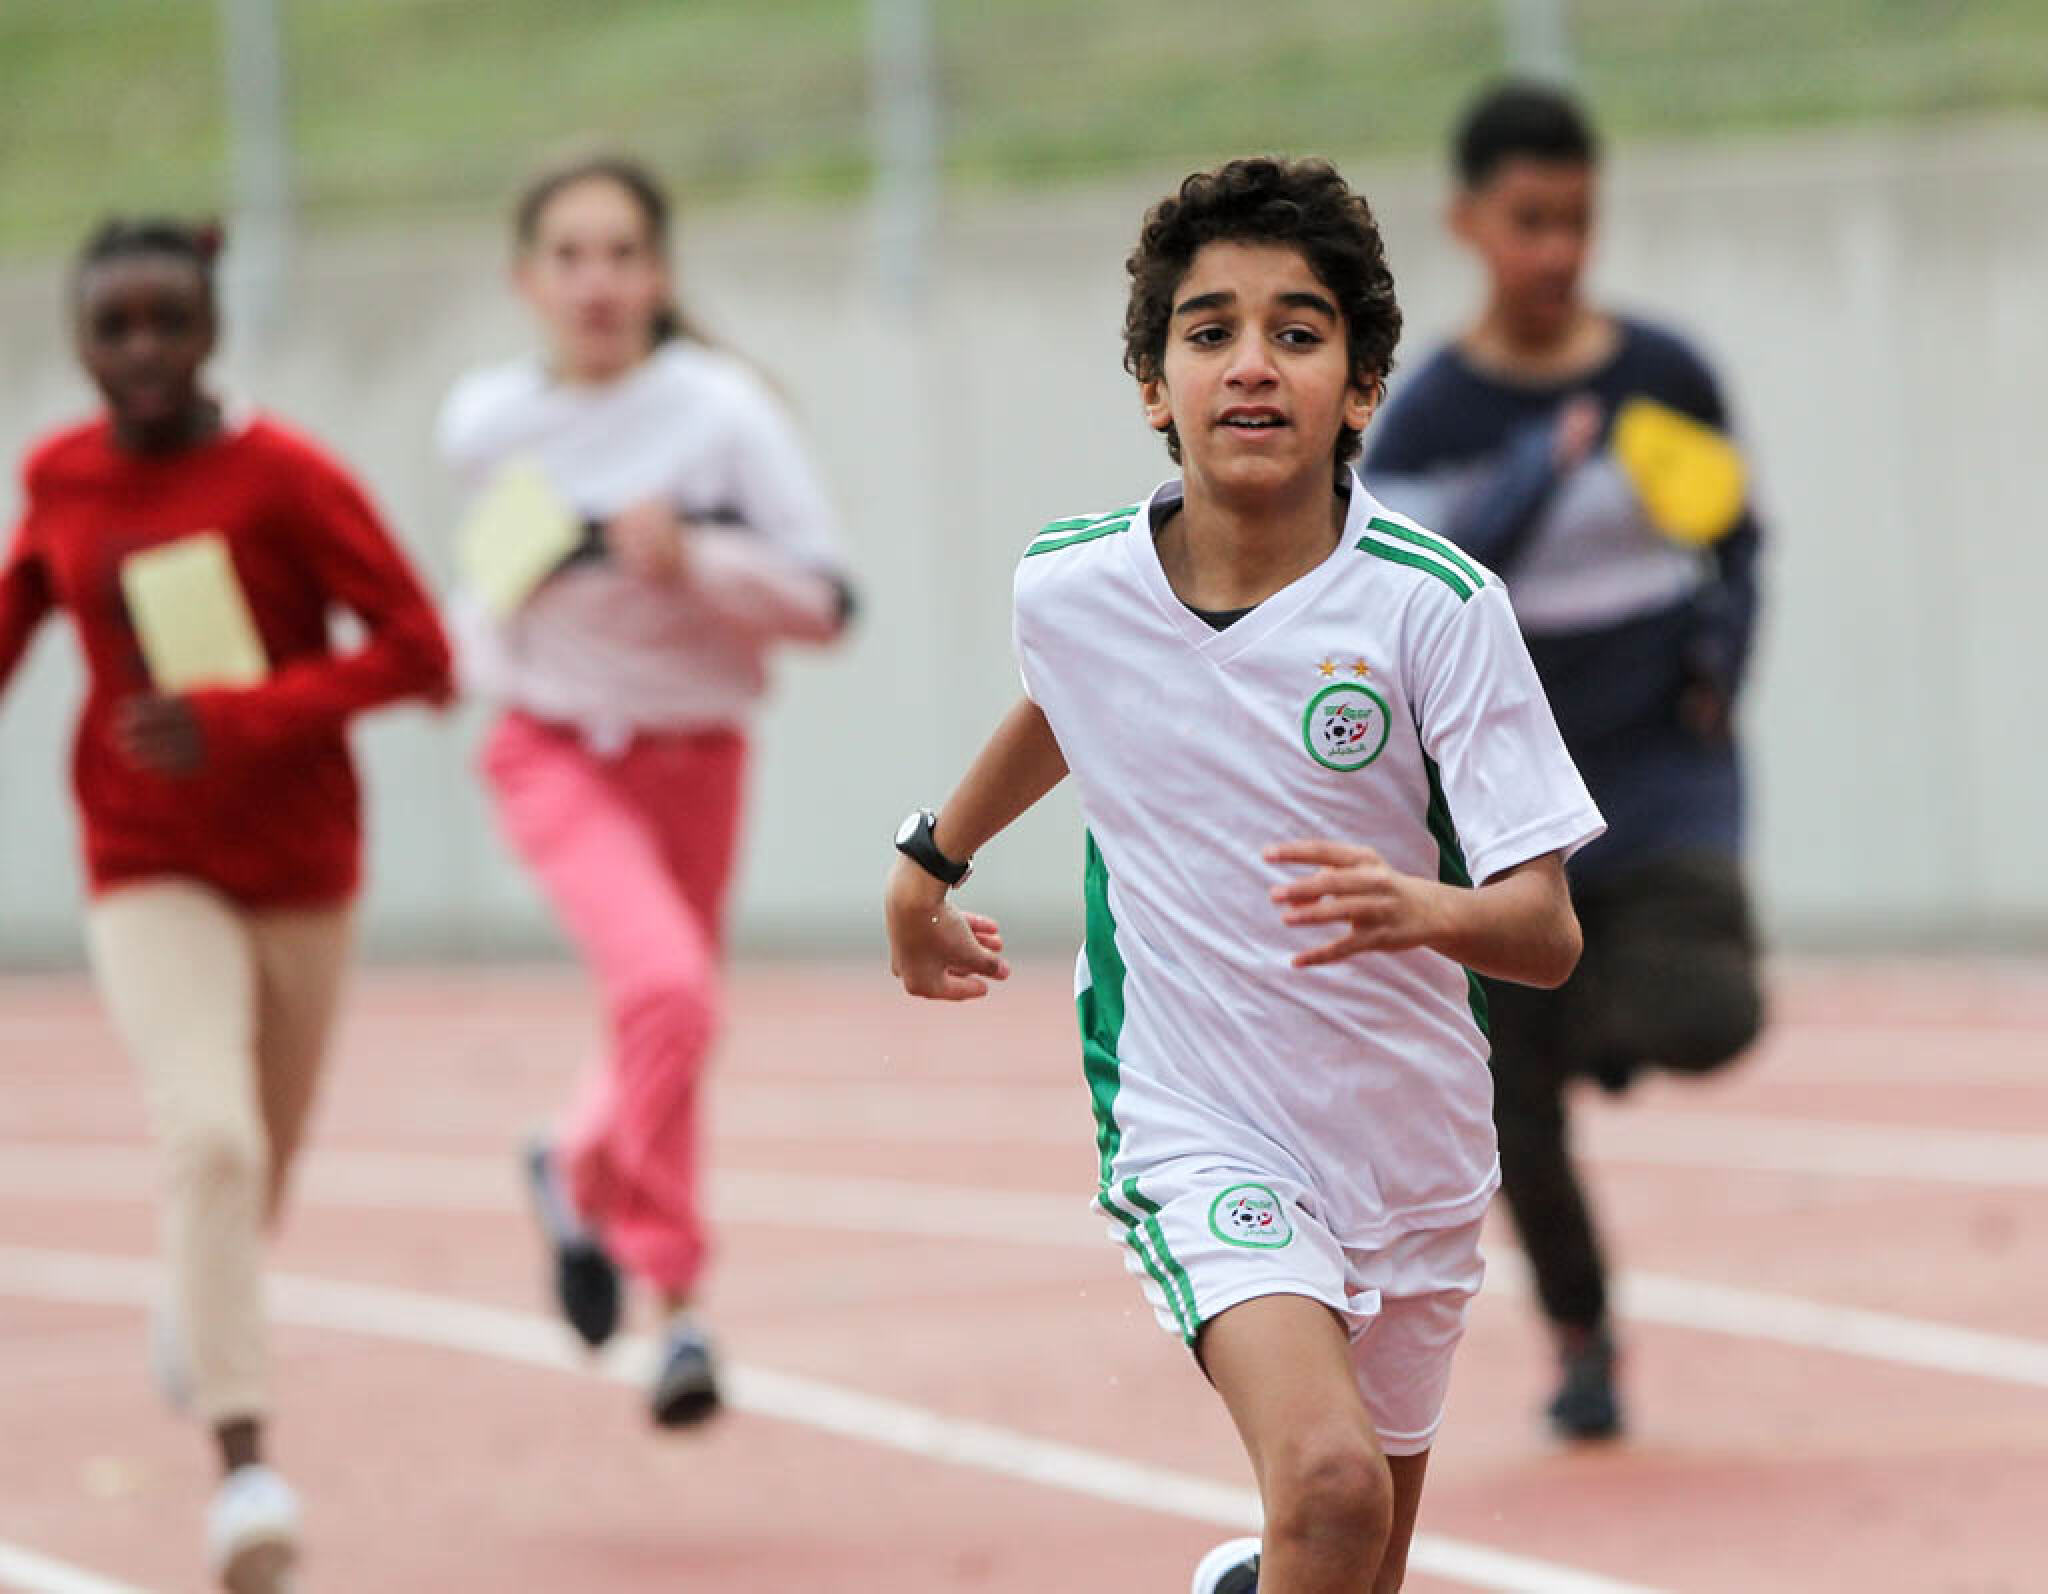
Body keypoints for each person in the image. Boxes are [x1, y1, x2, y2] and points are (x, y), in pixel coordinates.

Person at [885, 157, 1603, 1594]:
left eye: (1297, 331)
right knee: (1328, 1490)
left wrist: (1421, 908)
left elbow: (1544, 932)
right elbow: (1070, 699)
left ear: (1363, 384)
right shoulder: (1073, 585)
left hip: (1411, 1144)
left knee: (1351, 1554)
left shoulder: (1436, 610)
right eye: (1209, 332)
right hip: (1196, 1116)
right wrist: (929, 862)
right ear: (1155, 388)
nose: (1252, 364)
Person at [0, 218, 452, 1591]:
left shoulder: (289, 479)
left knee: (259, 1161)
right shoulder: (59, 473)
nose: (141, 350)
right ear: (78, 341)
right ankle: (247, 1471)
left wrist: (243, 717)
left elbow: (420, 653)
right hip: (144, 858)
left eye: (168, 321)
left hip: (302, 867)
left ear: (212, 329)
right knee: (211, 1136)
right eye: (113, 325)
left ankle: (198, 1305)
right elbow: (22, 600)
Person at [1362, 80, 1766, 1441]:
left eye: (1577, 221)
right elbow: (1419, 587)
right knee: (1511, 1109)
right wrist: (1538, 469)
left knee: (1711, 1010)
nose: (1557, 251)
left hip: (1658, 757)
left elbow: (1736, 537)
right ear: (1468, 224)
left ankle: (1603, 1021)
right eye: (1529, 221)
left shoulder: (1666, 374)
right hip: (1505, 781)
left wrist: (1720, 661)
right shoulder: (1430, 417)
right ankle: (1582, 1338)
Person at [437, 152, 852, 1427]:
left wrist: (700, 560)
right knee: (669, 996)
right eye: (569, 256)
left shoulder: (721, 416)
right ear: (525, 279)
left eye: (622, 254)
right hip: (554, 750)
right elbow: (484, 597)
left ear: (661, 275)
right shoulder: (487, 425)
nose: (597, 282)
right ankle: (597, 1190)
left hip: (699, 757)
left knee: (659, 1023)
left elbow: (827, 602)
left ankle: (664, 1302)